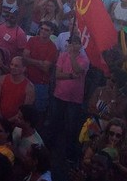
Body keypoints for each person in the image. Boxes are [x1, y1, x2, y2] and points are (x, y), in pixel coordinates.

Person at [46, 33, 89, 163]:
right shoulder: (62, 56)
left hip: (74, 98)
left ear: (80, 45)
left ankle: (69, 153)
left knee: (71, 127)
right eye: (71, 42)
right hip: (59, 94)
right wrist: (70, 76)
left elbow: (78, 70)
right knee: (54, 121)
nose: (73, 45)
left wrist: (72, 57)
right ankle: (49, 148)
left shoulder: (84, 60)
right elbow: (58, 75)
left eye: (76, 43)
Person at [23, 21, 58, 118]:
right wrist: (39, 62)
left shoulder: (52, 47)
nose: (43, 31)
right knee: (24, 107)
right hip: (27, 79)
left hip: (41, 83)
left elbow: (46, 68)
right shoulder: (32, 40)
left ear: (51, 32)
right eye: (42, 28)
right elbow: (24, 58)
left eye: (46, 30)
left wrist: (30, 61)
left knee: (38, 110)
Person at [0, 56, 35, 120]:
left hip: (17, 122)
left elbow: (24, 111)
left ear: (24, 69)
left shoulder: (29, 87)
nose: (12, 67)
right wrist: (1, 118)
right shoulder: (2, 79)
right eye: (11, 64)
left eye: (16, 66)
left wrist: (9, 121)